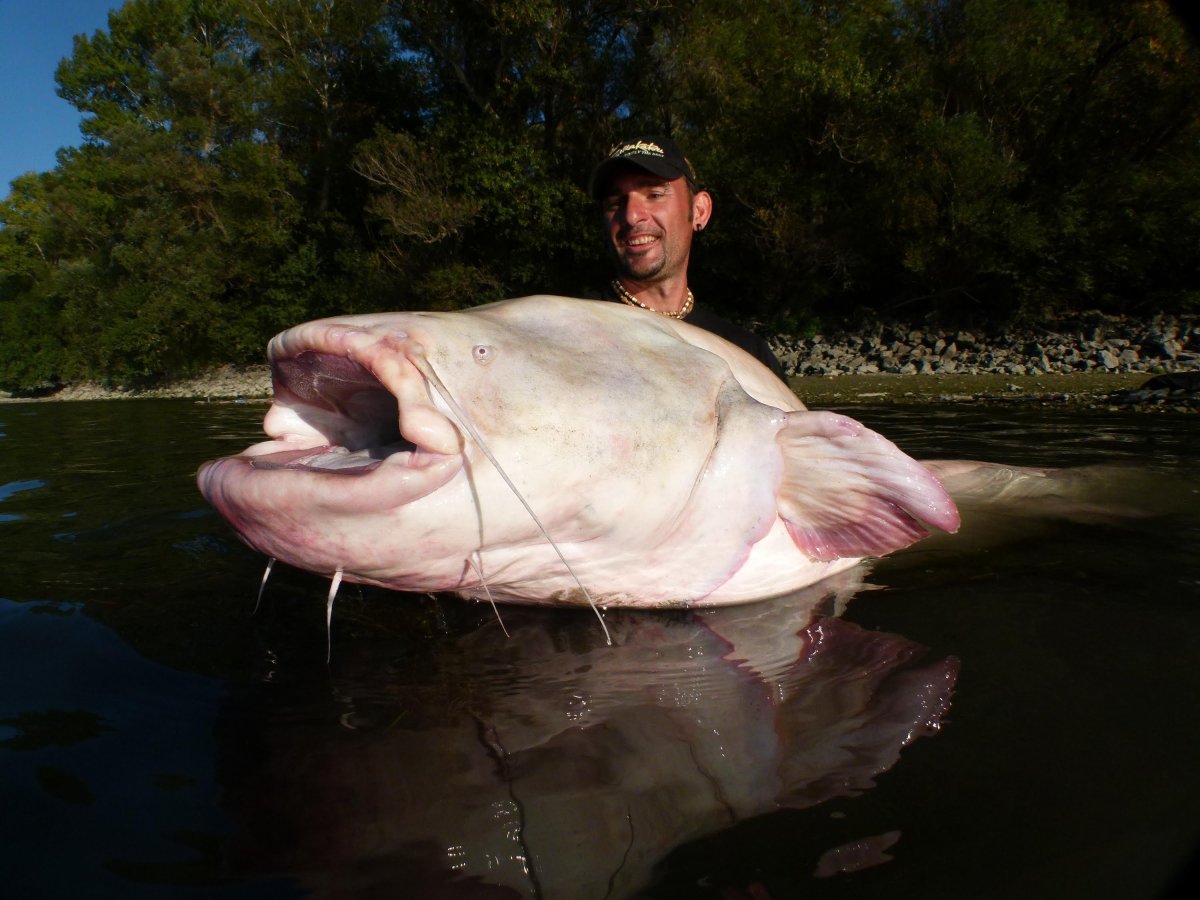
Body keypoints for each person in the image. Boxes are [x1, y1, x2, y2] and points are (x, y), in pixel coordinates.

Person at [588, 135, 787, 380]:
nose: (631, 216)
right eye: (615, 202)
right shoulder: (570, 339)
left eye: (654, 194)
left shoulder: (749, 357)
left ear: (699, 210)